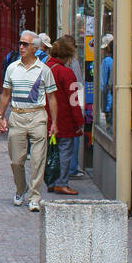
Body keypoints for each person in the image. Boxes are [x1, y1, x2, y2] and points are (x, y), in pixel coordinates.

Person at [0, 32, 58, 212]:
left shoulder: (44, 70)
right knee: (17, 160)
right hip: (17, 115)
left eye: (25, 44)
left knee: (38, 160)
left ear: (35, 48)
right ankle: (20, 189)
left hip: (38, 116)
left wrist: (54, 122)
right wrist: (1, 116)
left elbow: (52, 97)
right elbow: (6, 94)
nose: (21, 47)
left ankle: (35, 197)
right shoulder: (12, 68)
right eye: (20, 44)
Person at [45, 35, 86, 196]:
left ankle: (51, 181)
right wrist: (79, 121)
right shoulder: (66, 73)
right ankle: (61, 182)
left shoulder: (45, 68)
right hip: (64, 120)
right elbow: (74, 101)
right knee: (64, 151)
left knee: (50, 151)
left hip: (46, 118)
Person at [100, 34, 114, 126]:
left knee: (109, 126)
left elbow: (103, 82)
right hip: (113, 99)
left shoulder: (107, 61)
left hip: (108, 98)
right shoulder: (115, 59)